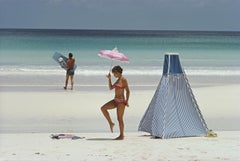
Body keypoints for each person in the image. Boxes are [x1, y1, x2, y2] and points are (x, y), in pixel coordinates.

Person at [101, 65, 130, 140]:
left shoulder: (123, 80)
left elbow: (128, 91)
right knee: (103, 108)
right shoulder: (117, 80)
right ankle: (111, 123)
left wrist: (127, 101)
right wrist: (109, 79)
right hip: (115, 100)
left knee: (119, 119)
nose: (114, 75)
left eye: (114, 73)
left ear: (118, 72)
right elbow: (111, 88)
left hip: (121, 102)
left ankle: (122, 135)